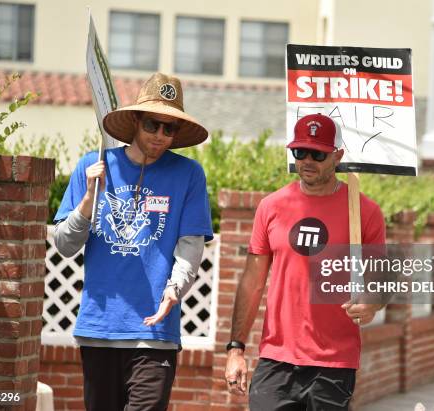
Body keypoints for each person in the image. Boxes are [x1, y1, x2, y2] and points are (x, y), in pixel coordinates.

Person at [53, 72, 213, 411]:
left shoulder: (188, 174)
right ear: (136, 122)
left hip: (155, 332)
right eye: (152, 125)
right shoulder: (92, 166)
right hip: (99, 329)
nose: (159, 135)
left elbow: (190, 244)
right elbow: (65, 246)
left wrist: (175, 289)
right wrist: (87, 203)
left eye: (169, 129)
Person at [224, 113, 386, 410]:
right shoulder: (271, 207)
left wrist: (373, 303)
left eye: (318, 153)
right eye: (300, 152)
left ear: (337, 155)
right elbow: (252, 282)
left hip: (335, 361)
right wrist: (236, 349)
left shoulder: (364, 211)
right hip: (276, 357)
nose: (307, 160)